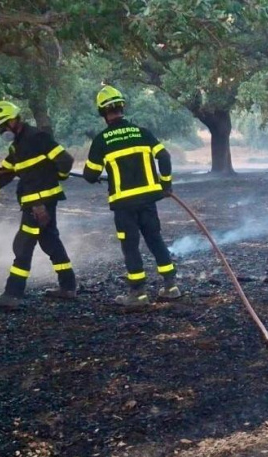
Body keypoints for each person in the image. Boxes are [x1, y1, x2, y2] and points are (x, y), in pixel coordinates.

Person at [0, 101, 77, 308]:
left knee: (23, 245)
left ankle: (12, 294)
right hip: (36, 203)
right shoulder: (17, 147)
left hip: (38, 204)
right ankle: (68, 286)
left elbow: (66, 160)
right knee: (50, 241)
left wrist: (56, 178)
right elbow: (4, 175)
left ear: (15, 120)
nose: (1, 131)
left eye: (3, 125)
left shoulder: (37, 138)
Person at [83, 85, 180, 306]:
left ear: (102, 112)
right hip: (148, 200)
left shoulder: (102, 140)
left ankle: (138, 294)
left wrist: (97, 174)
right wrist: (165, 185)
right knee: (155, 240)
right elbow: (164, 157)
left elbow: (89, 175)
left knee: (130, 246)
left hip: (124, 203)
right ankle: (170, 286)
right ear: (122, 107)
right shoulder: (142, 132)